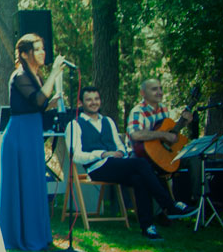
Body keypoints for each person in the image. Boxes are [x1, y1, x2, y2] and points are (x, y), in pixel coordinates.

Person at [66, 86, 196, 241]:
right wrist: (102, 154)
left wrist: (121, 152)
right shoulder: (74, 124)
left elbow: (119, 145)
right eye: (89, 100)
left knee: (139, 178)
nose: (94, 102)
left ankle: (148, 228)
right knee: (141, 164)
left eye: (96, 99)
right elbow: (76, 156)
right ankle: (170, 205)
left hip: (117, 164)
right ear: (81, 103)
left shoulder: (108, 121)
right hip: (97, 168)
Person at [0, 33, 65, 251]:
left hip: (32, 133)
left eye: (42, 48)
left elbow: (37, 106)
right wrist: (54, 73)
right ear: (25, 54)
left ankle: (38, 236)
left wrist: (50, 104)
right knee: (24, 184)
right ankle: (23, 237)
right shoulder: (19, 76)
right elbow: (36, 100)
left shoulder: (35, 76)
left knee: (35, 184)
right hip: (19, 136)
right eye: (37, 49)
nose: (42, 52)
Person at [127, 78, 194, 158]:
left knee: (193, 157)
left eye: (160, 89)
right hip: (140, 155)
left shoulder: (164, 108)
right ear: (143, 93)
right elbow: (135, 135)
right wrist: (163, 135)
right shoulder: (138, 111)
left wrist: (184, 122)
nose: (160, 92)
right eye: (154, 89)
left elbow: (168, 131)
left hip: (160, 153)